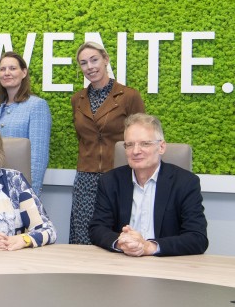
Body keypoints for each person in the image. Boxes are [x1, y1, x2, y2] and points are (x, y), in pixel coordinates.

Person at [89, 114, 208, 256]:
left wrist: (149, 247)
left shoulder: (185, 182)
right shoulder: (110, 181)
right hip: (122, 261)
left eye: (145, 143)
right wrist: (122, 243)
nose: (135, 151)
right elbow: (97, 228)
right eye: (129, 144)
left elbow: (197, 238)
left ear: (162, 147)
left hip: (166, 265)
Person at [69, 41, 145, 245]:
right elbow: (83, 137)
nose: (90, 67)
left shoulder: (129, 95)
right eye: (84, 63)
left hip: (120, 174)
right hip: (86, 176)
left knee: (117, 234)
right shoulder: (77, 99)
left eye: (94, 60)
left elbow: (141, 135)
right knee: (83, 236)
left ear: (105, 59)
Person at [0, 51, 52, 195]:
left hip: (21, 188)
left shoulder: (37, 105)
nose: (6, 73)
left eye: (12, 68)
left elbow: (38, 158)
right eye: (2, 69)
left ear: (24, 72)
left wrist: (29, 193)